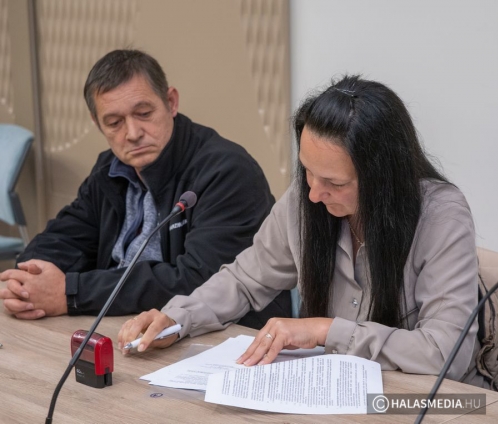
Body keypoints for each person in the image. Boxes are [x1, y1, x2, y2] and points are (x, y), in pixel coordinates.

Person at [117, 75, 488, 389]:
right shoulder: (306, 199)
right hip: (334, 395)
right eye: (307, 171)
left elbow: (446, 354)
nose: (313, 193)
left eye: (334, 183)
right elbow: (244, 280)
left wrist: (326, 331)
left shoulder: (441, 216)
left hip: (434, 404)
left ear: (383, 178)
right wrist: (177, 318)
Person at [0, 49, 291, 328]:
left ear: (171, 102)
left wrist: (71, 292)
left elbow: (201, 281)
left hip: (223, 338)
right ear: (97, 124)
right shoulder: (109, 168)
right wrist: (28, 280)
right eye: (114, 122)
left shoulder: (227, 171)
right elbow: (66, 235)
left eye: (143, 113)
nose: (133, 133)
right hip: (122, 327)